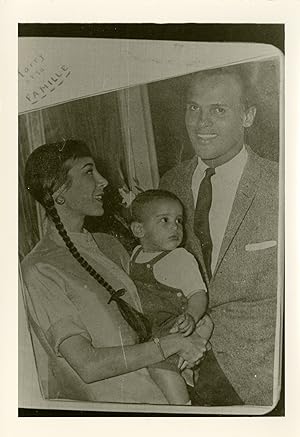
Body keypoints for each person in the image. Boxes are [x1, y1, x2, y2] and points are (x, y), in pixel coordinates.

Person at [20, 139, 208, 404]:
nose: (104, 180)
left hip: (169, 398)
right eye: (88, 171)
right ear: (58, 190)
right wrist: (172, 344)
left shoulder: (111, 246)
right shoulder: (39, 269)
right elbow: (88, 366)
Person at [159, 65, 280, 406]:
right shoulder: (171, 183)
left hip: (265, 377)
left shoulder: (281, 184)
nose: (200, 123)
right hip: (186, 372)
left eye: (218, 110)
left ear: (248, 116)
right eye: (193, 108)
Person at [129, 189, 213, 405]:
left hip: (175, 326)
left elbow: (198, 294)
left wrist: (191, 316)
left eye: (178, 220)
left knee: (161, 369)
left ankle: (183, 411)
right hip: (149, 328)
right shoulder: (136, 254)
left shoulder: (180, 257)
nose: (175, 227)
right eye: (164, 220)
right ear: (139, 229)